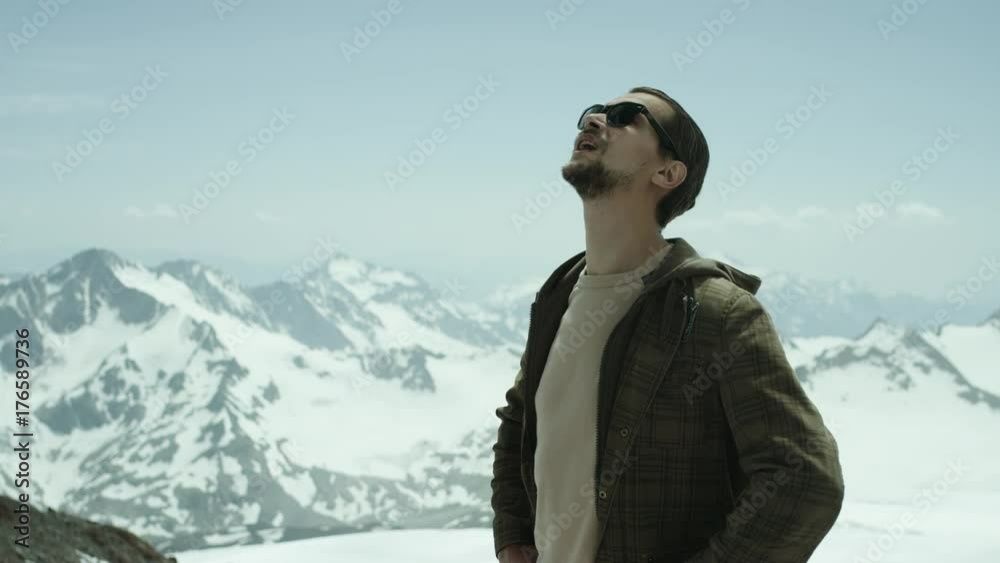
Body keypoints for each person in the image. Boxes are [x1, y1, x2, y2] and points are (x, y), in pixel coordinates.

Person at [490, 87, 844, 563]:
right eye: (594, 111)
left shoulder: (718, 312)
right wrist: (514, 536)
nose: (595, 120)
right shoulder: (560, 295)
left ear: (668, 172)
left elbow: (804, 479)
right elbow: (520, 421)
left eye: (624, 117)